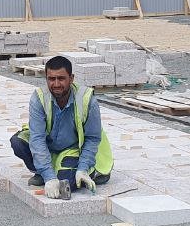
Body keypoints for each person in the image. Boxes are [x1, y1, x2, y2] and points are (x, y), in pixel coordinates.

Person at [8, 55, 114, 199]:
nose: (56, 84)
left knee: (67, 181)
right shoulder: (39, 98)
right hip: (49, 146)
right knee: (18, 142)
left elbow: (92, 139)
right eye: (51, 79)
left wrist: (83, 168)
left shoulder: (87, 99)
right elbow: (37, 139)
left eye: (61, 78)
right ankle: (42, 172)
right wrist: (49, 177)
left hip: (74, 149)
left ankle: (92, 173)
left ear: (71, 78)